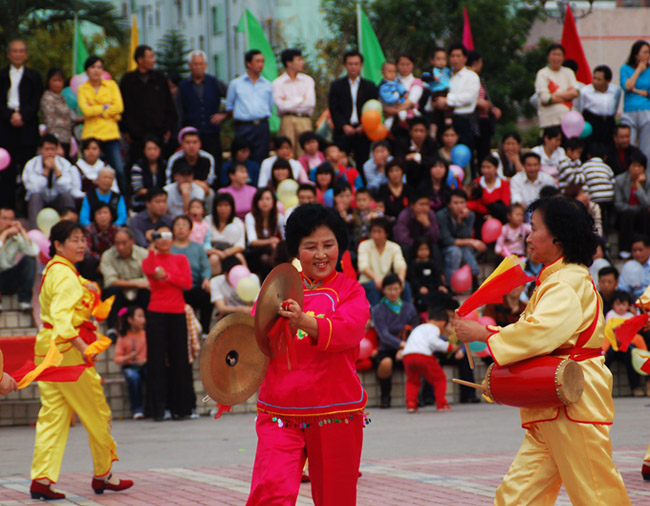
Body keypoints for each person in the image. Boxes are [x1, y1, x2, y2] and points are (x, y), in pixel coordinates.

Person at [455, 196, 630, 506]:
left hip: (573, 406)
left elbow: (538, 334)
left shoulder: (565, 282)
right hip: (553, 403)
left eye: (534, 228)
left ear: (557, 238)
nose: (528, 236)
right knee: (516, 498)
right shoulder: (559, 279)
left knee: (597, 495)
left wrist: (485, 332)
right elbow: (538, 333)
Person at [246, 203, 369, 506]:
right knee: (270, 492)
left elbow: (349, 330)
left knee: (335, 499)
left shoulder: (351, 291)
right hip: (279, 411)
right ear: (296, 250)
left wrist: (302, 321)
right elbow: (255, 338)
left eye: (328, 245)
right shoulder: (276, 290)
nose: (321, 254)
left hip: (335, 411)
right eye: (310, 246)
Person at [29, 220, 133, 500]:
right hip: (67, 353)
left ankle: (42, 477)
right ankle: (103, 474)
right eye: (74, 240)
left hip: (48, 349)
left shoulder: (54, 269)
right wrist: (84, 347)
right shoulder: (64, 275)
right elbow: (64, 322)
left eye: (82, 239)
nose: (81, 244)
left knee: (54, 414)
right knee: (97, 411)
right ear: (59, 245)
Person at [141, 225, 194, 421]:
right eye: (159, 236)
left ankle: (182, 408)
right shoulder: (150, 257)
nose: (163, 239)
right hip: (156, 312)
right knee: (156, 361)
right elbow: (148, 269)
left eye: (167, 236)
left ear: (173, 239)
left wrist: (167, 277)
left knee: (179, 360)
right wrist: (151, 247)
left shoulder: (180, 259)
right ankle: (157, 409)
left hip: (177, 312)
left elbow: (187, 283)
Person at [0, 40, 43, 210]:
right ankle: (7, 209)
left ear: (26, 54)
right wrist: (10, 115)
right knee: (7, 172)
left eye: (21, 51)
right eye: (14, 51)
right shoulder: (1, 75)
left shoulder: (34, 76)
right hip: (5, 127)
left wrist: (22, 115)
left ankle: (26, 209)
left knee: (28, 169)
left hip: (27, 128)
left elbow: (36, 101)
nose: (18, 54)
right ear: (9, 54)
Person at [120, 45, 176, 165]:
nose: (153, 60)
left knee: (159, 164)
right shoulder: (128, 80)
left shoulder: (160, 78)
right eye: (150, 57)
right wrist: (126, 130)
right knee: (136, 164)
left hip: (158, 132)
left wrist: (168, 127)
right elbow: (122, 107)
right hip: (136, 135)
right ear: (140, 60)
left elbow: (169, 104)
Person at [77, 56, 126, 194]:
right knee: (90, 172)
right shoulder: (83, 88)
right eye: (93, 67)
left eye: (99, 67)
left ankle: (124, 202)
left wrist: (96, 109)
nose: (96, 70)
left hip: (110, 134)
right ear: (87, 70)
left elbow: (119, 107)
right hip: (91, 135)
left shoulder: (111, 85)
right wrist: (105, 108)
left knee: (119, 170)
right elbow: (85, 111)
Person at [371, 274, 420, 408]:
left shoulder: (409, 307)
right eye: (389, 289)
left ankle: (417, 396)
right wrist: (401, 345)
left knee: (418, 359)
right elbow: (383, 335)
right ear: (383, 290)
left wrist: (405, 348)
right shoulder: (377, 310)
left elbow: (415, 330)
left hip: (407, 346)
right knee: (386, 363)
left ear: (401, 289)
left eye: (396, 289)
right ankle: (385, 396)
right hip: (387, 349)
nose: (393, 292)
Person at [177, 50, 228, 168]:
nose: (198, 67)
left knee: (215, 165)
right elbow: (178, 112)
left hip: (212, 133)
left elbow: (232, 98)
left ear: (205, 65)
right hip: (192, 135)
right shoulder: (183, 86)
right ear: (190, 66)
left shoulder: (214, 82)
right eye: (195, 64)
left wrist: (224, 115)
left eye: (201, 64)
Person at [329, 50, 379, 168]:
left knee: (363, 163)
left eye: (356, 64)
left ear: (361, 66)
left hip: (363, 131)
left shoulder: (370, 86)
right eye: (350, 64)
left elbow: (374, 108)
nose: (353, 67)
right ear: (345, 65)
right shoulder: (336, 85)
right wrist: (343, 125)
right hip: (343, 131)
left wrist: (364, 126)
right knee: (340, 164)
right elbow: (334, 109)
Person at [402, 307, 457, 412]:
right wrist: (449, 347)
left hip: (408, 355)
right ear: (442, 323)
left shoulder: (418, 328)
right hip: (423, 355)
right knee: (439, 378)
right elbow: (434, 341)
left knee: (412, 380)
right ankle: (441, 403)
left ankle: (411, 404)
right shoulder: (433, 328)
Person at [99, 227, 149, 337]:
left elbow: (148, 281)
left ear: (132, 241)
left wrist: (126, 283)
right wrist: (136, 283)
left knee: (147, 292)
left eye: (124, 243)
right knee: (112, 291)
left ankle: (147, 327)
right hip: (119, 295)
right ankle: (112, 329)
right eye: (117, 243)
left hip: (139, 295)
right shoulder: (107, 255)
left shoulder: (144, 254)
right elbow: (110, 281)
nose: (120, 247)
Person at [225, 49, 273, 165]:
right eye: (257, 61)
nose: (261, 64)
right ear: (248, 63)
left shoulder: (267, 84)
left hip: (262, 126)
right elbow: (229, 106)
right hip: (244, 127)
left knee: (262, 159)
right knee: (242, 159)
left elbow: (270, 106)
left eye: (262, 61)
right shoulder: (236, 84)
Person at [433, 43, 480, 161]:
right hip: (444, 119)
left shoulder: (471, 76)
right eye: (452, 56)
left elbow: (469, 97)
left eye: (458, 56)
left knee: (464, 155)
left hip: (463, 120)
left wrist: (447, 100)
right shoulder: (445, 75)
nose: (455, 59)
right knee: (443, 157)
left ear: (465, 58)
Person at [22, 134, 77, 229]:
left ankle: (69, 229)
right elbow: (33, 189)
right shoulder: (31, 164)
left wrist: (56, 169)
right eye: (47, 149)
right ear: (40, 150)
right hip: (41, 200)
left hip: (57, 200)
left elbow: (67, 188)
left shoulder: (64, 163)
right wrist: (46, 171)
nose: (50, 153)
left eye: (53, 149)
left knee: (67, 196)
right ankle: (35, 231)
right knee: (35, 196)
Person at [170, 215, 212, 333]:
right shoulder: (168, 247)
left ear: (190, 229)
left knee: (206, 295)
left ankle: (205, 331)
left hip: (195, 286)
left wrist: (206, 279)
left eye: (184, 225)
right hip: (175, 288)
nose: (181, 228)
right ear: (173, 229)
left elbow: (205, 266)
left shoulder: (198, 248)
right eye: (177, 225)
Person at [436, 189, 486, 289]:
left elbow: (466, 235)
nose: (459, 206)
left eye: (462, 203)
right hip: (444, 248)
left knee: (466, 250)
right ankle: (450, 285)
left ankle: (474, 279)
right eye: (456, 203)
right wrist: (471, 242)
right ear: (449, 204)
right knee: (455, 252)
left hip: (464, 246)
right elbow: (447, 240)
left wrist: (460, 221)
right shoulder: (441, 216)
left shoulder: (470, 215)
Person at [273, 48, 316, 156]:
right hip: (287, 119)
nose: (302, 62)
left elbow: (310, 103)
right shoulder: (278, 83)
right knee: (287, 151)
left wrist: (289, 102)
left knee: (305, 152)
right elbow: (281, 106)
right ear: (289, 63)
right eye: (299, 59)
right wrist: (301, 99)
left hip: (304, 119)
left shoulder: (308, 80)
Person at [358, 217, 409, 306]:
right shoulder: (364, 245)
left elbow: (400, 265)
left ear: (386, 233)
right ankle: (375, 317)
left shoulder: (394, 247)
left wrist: (401, 280)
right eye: (373, 232)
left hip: (387, 282)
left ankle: (409, 316)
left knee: (406, 286)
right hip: (368, 282)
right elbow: (363, 266)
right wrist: (376, 278)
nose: (376, 235)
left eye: (379, 232)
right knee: (373, 288)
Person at [0, 208, 38, 311]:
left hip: (9, 278)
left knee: (30, 260)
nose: (8, 222)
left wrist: (22, 231)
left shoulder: (15, 238)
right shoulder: (6, 234)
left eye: (11, 219)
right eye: (4, 218)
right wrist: (4, 235)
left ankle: (24, 301)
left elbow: (33, 252)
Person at [468, 50, 502, 164]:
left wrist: (492, 108)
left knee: (484, 152)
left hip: (484, 120)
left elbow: (486, 97)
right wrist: (478, 102)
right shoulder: (466, 78)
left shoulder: (480, 79)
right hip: (472, 120)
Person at [113, 306, 147, 419]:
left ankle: (152, 407)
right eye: (139, 316)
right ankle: (137, 409)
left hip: (145, 365)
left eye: (143, 316)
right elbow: (117, 359)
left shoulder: (146, 335)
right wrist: (128, 357)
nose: (143, 320)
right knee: (134, 377)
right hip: (130, 366)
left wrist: (145, 360)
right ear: (130, 320)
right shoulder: (123, 338)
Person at [534, 43, 579, 128]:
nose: (556, 58)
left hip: (568, 122)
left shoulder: (569, 72)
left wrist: (554, 95)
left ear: (563, 57)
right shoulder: (542, 73)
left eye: (559, 55)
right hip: (549, 122)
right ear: (548, 57)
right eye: (553, 54)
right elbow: (545, 99)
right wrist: (567, 95)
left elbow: (575, 93)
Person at [577, 65, 621, 151]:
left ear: (607, 81)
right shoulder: (585, 91)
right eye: (594, 78)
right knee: (590, 148)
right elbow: (580, 108)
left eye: (599, 79)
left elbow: (616, 106)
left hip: (608, 122)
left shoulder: (615, 90)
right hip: (592, 121)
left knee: (608, 149)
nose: (595, 82)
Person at [614, 151, 650, 256]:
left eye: (639, 166)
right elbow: (619, 204)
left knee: (645, 213)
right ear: (629, 167)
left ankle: (646, 246)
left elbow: (647, 203)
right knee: (628, 213)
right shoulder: (620, 180)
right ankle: (625, 250)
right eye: (634, 166)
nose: (636, 169)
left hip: (642, 215)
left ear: (644, 168)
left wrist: (638, 185)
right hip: (625, 216)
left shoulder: (648, 181)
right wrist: (635, 208)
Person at [244, 187, 285, 279]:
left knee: (267, 257)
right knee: (267, 254)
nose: (264, 202)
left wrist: (276, 243)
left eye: (267, 199)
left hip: (270, 253)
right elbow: (252, 241)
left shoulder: (279, 217)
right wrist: (271, 241)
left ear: (273, 202)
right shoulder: (250, 216)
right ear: (256, 202)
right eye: (261, 199)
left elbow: (285, 238)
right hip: (254, 252)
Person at [620, 40, 650, 160]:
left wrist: (636, 91)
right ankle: (629, 176)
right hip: (630, 110)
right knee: (628, 145)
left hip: (646, 110)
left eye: (649, 53)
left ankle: (647, 177)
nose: (647, 55)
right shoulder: (625, 68)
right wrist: (639, 70)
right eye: (645, 52)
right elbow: (627, 86)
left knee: (647, 148)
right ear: (636, 54)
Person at [165, 127, 216, 193]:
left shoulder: (208, 158)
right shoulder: (174, 159)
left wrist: (192, 184)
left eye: (195, 142)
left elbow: (210, 181)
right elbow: (169, 181)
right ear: (182, 144)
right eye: (188, 142)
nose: (191, 146)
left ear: (200, 144)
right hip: (178, 190)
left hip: (201, 189)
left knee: (211, 193)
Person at [40, 68, 75, 158]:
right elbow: (49, 122)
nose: (57, 84)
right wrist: (56, 144)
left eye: (59, 80)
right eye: (54, 80)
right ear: (48, 81)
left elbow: (67, 118)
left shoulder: (62, 97)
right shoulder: (48, 97)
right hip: (57, 140)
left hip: (66, 138)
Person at [407, 238, 449, 313]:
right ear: (416, 250)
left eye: (426, 249)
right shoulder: (413, 264)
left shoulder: (433, 262)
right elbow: (413, 278)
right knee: (424, 299)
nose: (424, 252)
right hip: (421, 290)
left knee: (445, 295)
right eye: (421, 249)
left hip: (434, 288)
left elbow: (437, 276)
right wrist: (419, 287)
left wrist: (440, 285)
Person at [393, 192, 440, 258]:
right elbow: (402, 238)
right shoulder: (404, 215)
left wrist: (427, 225)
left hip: (426, 245)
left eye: (427, 204)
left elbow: (435, 238)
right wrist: (419, 246)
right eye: (421, 204)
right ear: (412, 205)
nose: (424, 207)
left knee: (435, 247)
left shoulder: (430, 214)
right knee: (405, 248)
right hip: (411, 245)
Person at [79, 203, 119, 282]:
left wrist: (106, 262)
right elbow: (86, 250)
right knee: (88, 261)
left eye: (105, 213)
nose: (102, 216)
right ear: (94, 216)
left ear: (111, 215)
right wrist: (102, 261)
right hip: (96, 261)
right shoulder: (88, 229)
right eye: (99, 213)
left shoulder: (117, 230)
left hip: (113, 260)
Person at [467, 154, 511, 225]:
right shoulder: (476, 182)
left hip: (499, 218)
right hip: (479, 218)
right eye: (483, 167)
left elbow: (505, 204)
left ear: (496, 168)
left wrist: (492, 215)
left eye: (488, 167)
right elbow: (471, 203)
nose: (485, 170)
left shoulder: (504, 184)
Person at [582, 144, 615, 235]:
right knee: (605, 216)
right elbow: (612, 182)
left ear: (589, 156)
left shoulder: (584, 166)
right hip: (608, 198)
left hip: (594, 198)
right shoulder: (607, 167)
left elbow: (583, 183)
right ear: (605, 157)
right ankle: (607, 231)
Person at [421, 47, 452, 139]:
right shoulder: (431, 70)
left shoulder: (447, 70)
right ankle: (434, 133)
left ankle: (445, 125)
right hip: (437, 92)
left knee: (439, 113)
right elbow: (423, 77)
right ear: (432, 60)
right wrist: (433, 78)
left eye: (443, 59)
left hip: (447, 92)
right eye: (438, 59)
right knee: (439, 112)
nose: (441, 61)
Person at [130, 135, 167, 212]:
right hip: (142, 202)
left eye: (155, 149)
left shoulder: (164, 165)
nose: (152, 152)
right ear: (144, 151)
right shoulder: (138, 166)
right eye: (149, 149)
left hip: (162, 201)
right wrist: (155, 193)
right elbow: (139, 190)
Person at [399, 117, 438, 188]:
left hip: (427, 179)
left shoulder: (431, 144)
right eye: (416, 130)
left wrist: (417, 157)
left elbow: (433, 161)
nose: (418, 134)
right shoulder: (402, 143)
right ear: (410, 132)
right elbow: (399, 161)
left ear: (426, 132)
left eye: (421, 131)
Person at [379, 61, 409, 131]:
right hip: (388, 104)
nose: (392, 74)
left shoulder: (395, 81)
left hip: (397, 104)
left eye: (394, 72)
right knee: (389, 120)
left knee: (403, 112)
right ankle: (387, 130)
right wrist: (397, 100)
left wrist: (404, 92)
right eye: (389, 72)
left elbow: (400, 87)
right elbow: (387, 98)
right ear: (383, 73)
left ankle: (403, 122)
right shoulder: (383, 86)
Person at [618, 235, 650, 300]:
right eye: (634, 250)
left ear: (649, 249)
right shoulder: (628, 267)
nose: (637, 253)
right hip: (635, 303)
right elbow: (622, 289)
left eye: (640, 250)